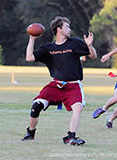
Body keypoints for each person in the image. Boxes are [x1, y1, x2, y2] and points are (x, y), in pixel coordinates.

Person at [21, 16, 97, 146]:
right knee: (36, 106)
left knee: (78, 107)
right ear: (59, 29)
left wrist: (89, 46)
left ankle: (71, 137)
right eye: (67, 26)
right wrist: (32, 39)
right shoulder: (48, 48)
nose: (70, 29)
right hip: (55, 85)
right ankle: (31, 133)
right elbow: (29, 57)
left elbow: (93, 55)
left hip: (73, 85)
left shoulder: (75, 43)